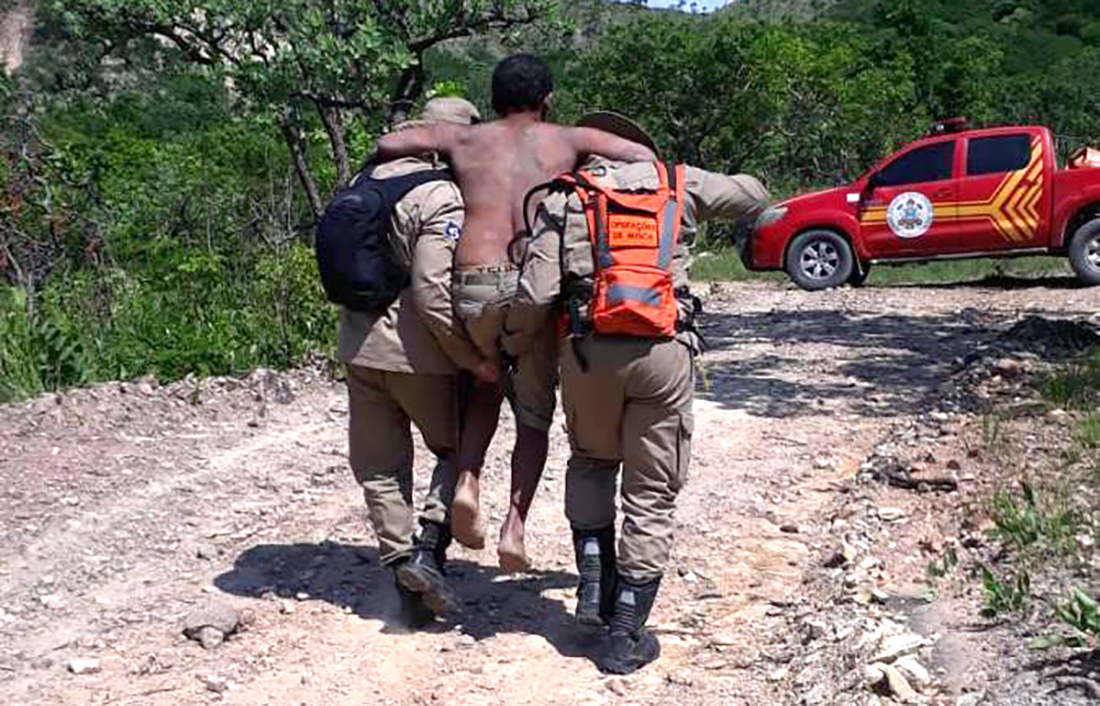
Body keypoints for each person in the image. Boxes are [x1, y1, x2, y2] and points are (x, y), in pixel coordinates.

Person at [503, 112, 770, 674]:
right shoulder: (679, 182)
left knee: (593, 462)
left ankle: (593, 588)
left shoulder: (567, 198)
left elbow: (536, 295)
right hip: (664, 353)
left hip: (587, 354)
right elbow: (754, 195)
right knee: (651, 494)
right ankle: (626, 630)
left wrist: (508, 345)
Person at [370, 54, 657, 572]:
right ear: (547, 98)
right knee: (532, 418)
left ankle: (468, 482)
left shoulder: (466, 139)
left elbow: (389, 144)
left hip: (473, 282)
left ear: (493, 100)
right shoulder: (567, 139)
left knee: (483, 385)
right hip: (532, 288)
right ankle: (514, 527)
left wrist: (448, 139)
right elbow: (640, 154)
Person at [339, 97, 488, 626]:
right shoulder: (438, 193)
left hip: (357, 347)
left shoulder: (364, 178)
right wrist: (466, 356)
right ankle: (427, 550)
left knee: (380, 468)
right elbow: (429, 290)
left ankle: (402, 567)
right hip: (417, 353)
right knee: (454, 447)